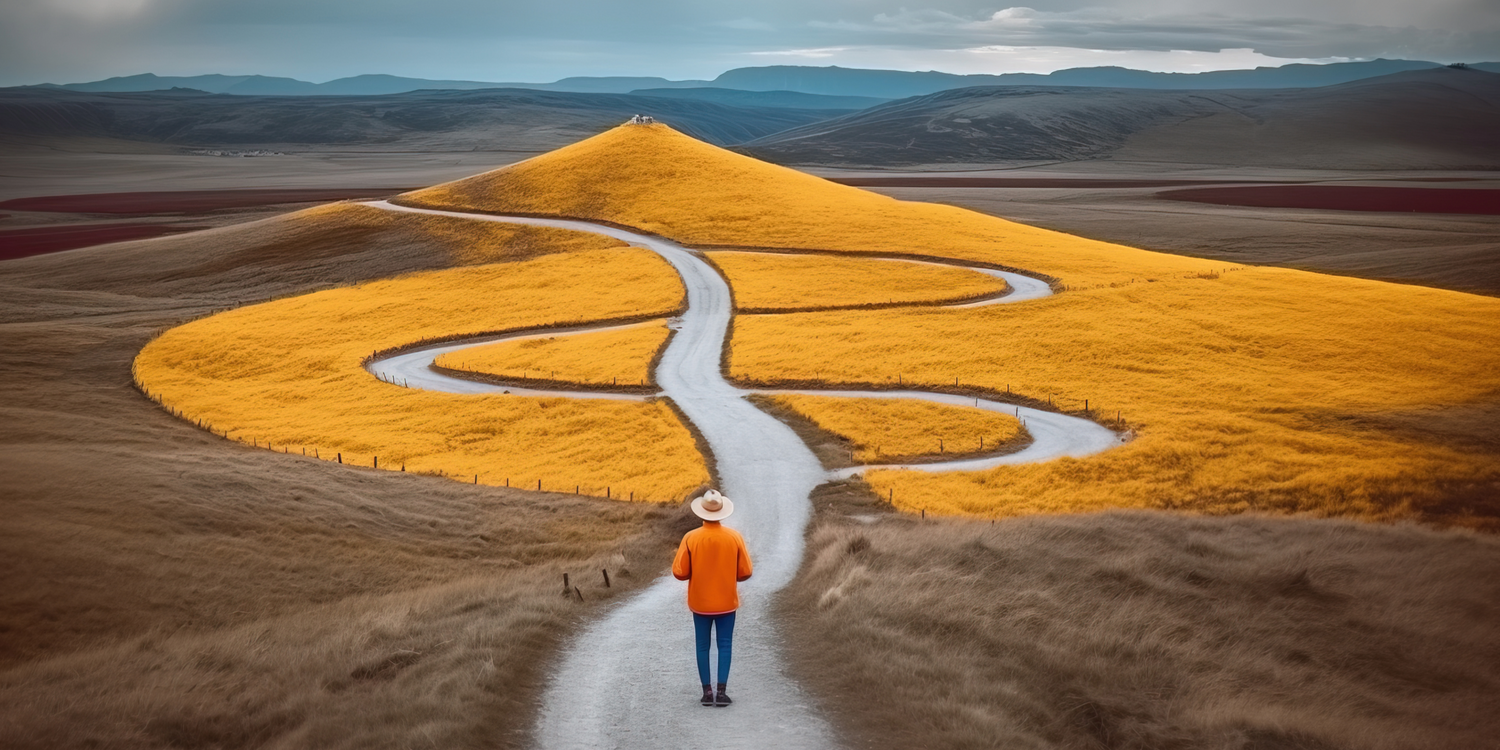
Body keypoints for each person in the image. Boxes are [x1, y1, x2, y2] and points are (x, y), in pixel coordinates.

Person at [672, 489, 752, 707]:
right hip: (726, 602)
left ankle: (707, 693)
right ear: (723, 513)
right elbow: (745, 572)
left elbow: (679, 572)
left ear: (701, 513)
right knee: (725, 645)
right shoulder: (734, 537)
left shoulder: (690, 538)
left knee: (702, 646)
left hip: (700, 603)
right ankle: (722, 692)